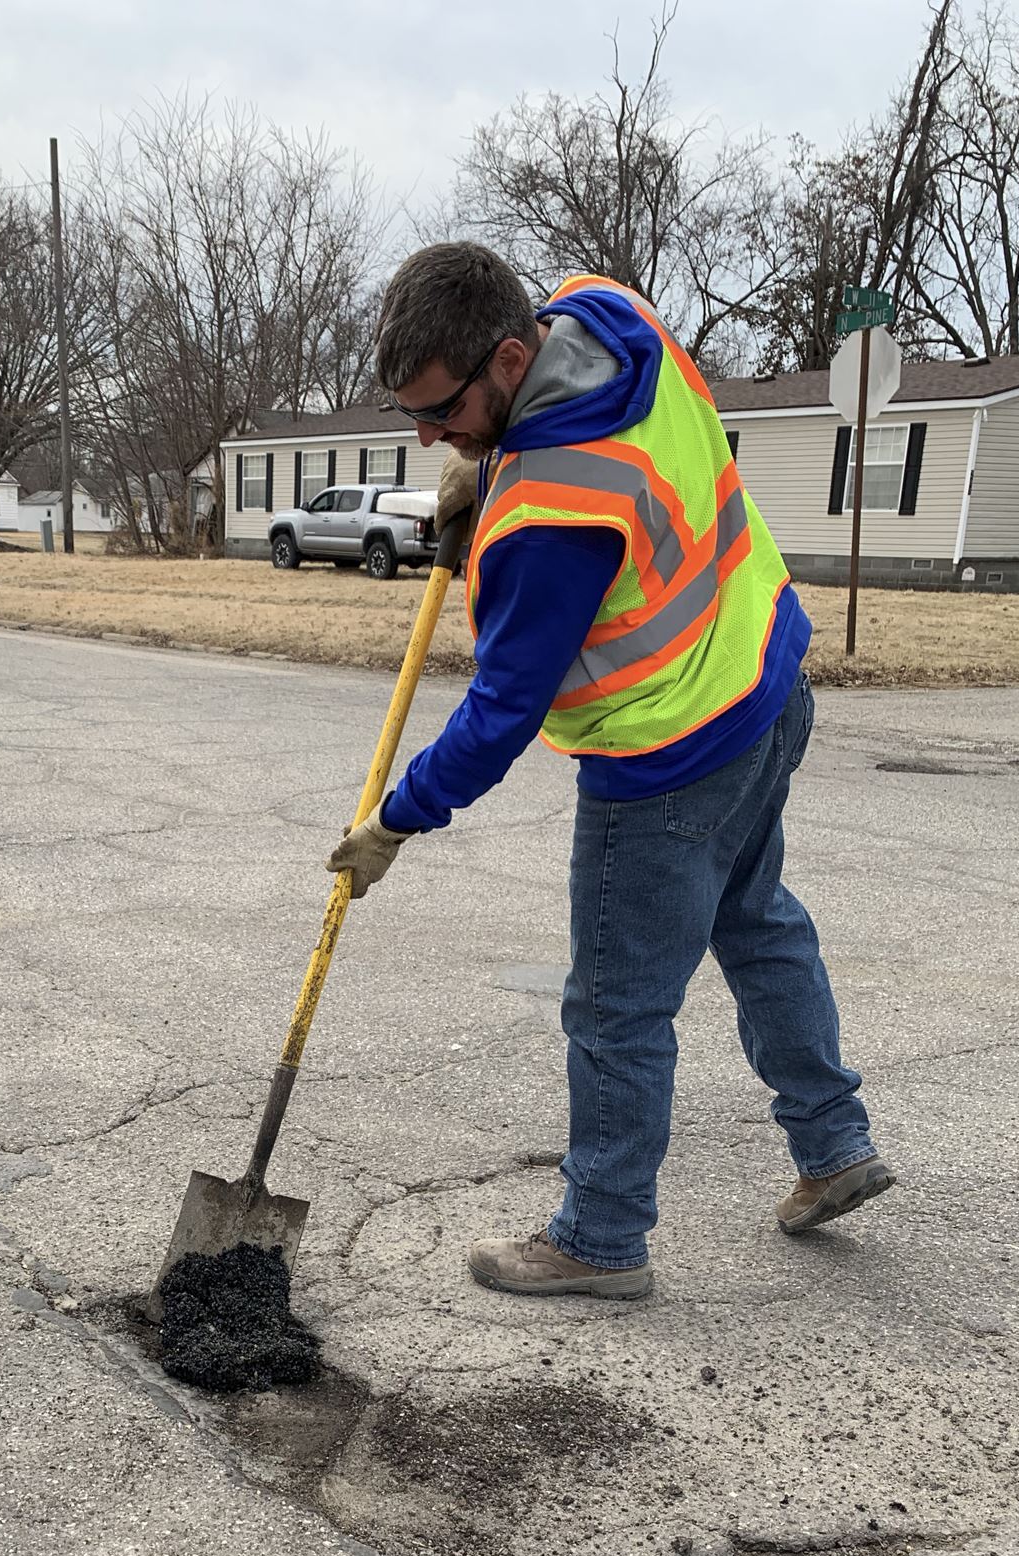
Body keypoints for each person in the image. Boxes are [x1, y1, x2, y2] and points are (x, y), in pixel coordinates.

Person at [328, 243, 894, 1299]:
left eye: (439, 411)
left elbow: (500, 711)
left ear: (506, 357)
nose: (424, 436)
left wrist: (397, 819)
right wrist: (483, 456)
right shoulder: (607, 313)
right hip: (762, 676)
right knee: (755, 920)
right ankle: (832, 1144)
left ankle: (598, 1235)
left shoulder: (553, 513)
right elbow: (564, 424)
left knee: (616, 1006)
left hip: (668, 753)